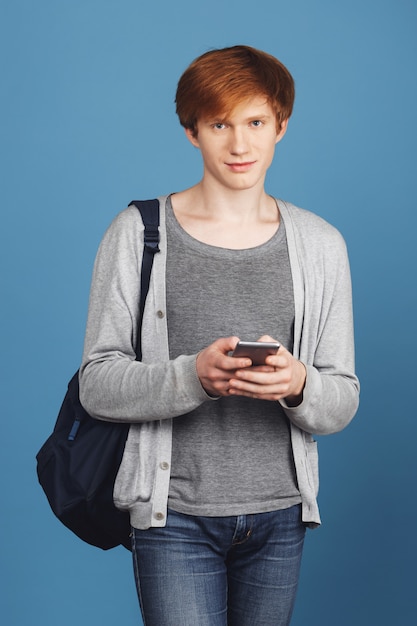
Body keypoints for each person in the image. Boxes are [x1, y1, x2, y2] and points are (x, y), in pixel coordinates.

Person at [79, 45, 359, 626]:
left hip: (282, 516)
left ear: (281, 125)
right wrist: (193, 376)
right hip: (172, 515)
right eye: (219, 124)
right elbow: (97, 384)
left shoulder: (321, 244)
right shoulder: (138, 234)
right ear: (192, 132)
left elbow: (342, 400)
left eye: (255, 122)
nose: (239, 144)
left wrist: (300, 383)